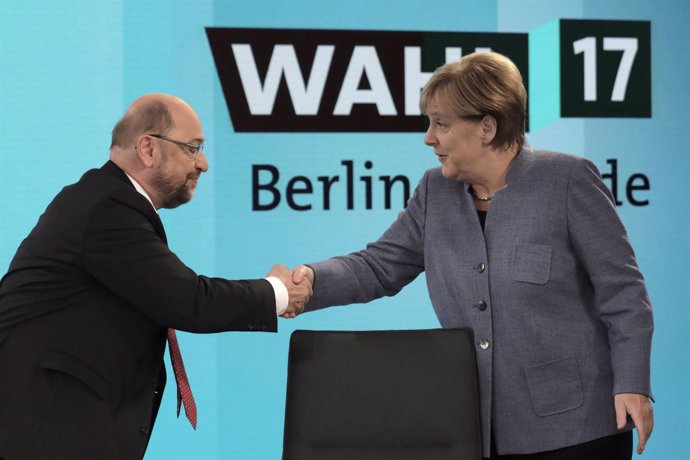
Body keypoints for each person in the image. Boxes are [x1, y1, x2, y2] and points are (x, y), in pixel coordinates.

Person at [288, 52, 654, 459]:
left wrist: (632, 383)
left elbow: (623, 293)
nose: (429, 138)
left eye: (441, 124)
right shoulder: (434, 192)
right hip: (475, 428)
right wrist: (310, 280)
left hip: (578, 428)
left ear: (486, 127)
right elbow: (378, 266)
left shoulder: (567, 180)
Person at [0, 94, 310, 460]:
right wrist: (276, 292)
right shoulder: (107, 208)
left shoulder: (107, 202)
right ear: (148, 148)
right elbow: (189, 300)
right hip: (44, 435)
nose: (204, 164)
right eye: (192, 149)